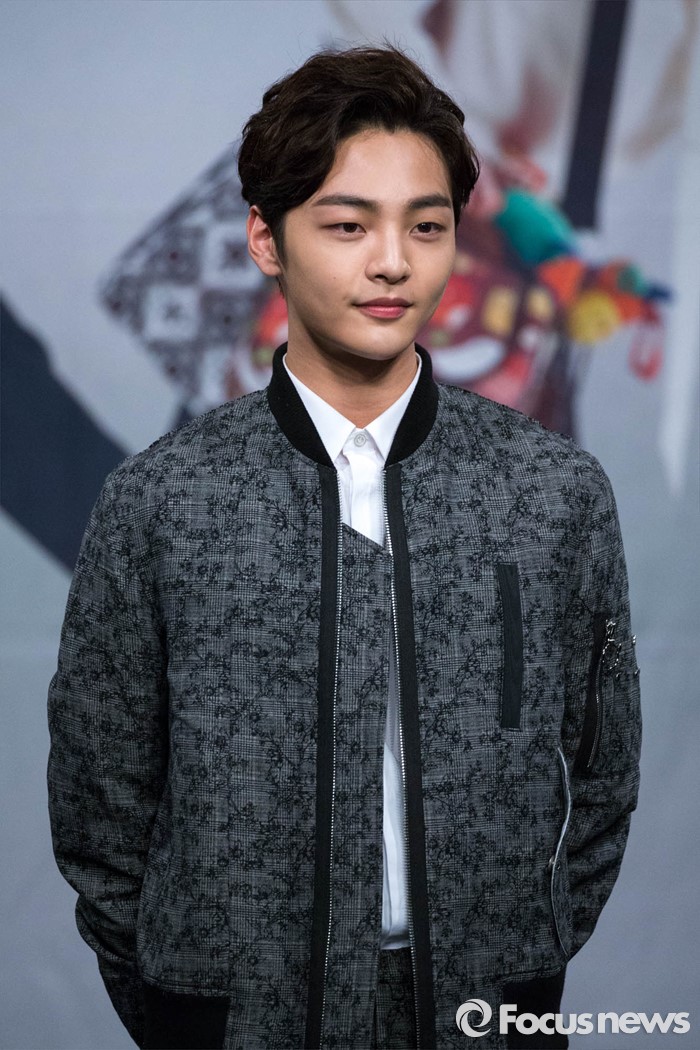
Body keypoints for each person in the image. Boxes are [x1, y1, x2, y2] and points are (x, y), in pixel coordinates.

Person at [48, 46, 641, 1050]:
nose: (392, 263)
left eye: (426, 225)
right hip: (237, 1019)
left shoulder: (552, 493)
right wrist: (188, 1011)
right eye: (347, 225)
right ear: (266, 240)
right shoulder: (163, 501)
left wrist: (524, 964)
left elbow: (605, 773)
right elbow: (98, 806)